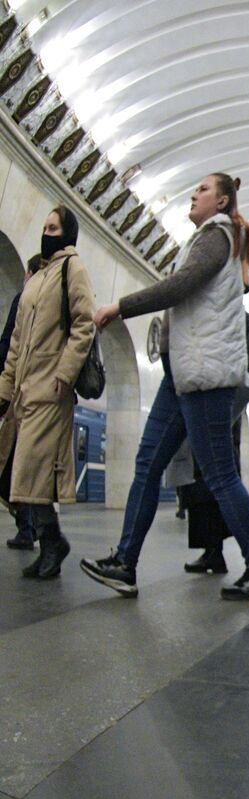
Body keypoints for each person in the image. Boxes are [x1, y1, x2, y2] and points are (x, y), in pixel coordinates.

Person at [82, 172, 249, 600]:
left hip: (205, 374)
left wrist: (121, 306)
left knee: (219, 474)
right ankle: (125, 562)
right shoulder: (206, 237)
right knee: (147, 463)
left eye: (203, 190)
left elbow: (182, 285)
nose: (193, 195)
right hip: (182, 373)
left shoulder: (218, 235)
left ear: (224, 202)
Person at [0, 207, 95, 579]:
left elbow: (84, 323)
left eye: (52, 228)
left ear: (67, 233)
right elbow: (17, 341)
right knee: (21, 475)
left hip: (51, 388)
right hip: (24, 390)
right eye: (43, 227)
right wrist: (5, 387)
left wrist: (65, 372)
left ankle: (51, 541)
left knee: (31, 473)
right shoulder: (37, 277)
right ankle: (50, 541)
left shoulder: (74, 269)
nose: (46, 233)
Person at [170, 312, 249, 574]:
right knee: (208, 479)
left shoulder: (228, 315)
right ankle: (214, 552)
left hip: (213, 398)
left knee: (211, 478)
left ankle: (247, 536)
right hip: (225, 404)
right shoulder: (239, 317)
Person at [2, 253, 43, 551]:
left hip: (20, 392)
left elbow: (8, 344)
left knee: (14, 461)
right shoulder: (55, 301)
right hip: (46, 394)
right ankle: (35, 528)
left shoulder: (23, 299)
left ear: (29, 274)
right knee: (29, 464)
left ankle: (33, 529)